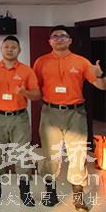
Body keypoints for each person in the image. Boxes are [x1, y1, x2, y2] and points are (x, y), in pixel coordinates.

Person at [34, 25, 105, 211]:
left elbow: (101, 86)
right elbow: (35, 88)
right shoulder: (41, 62)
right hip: (50, 113)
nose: (59, 39)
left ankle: (78, 197)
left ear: (70, 40)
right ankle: (50, 191)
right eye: (55, 36)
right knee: (50, 155)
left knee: (78, 154)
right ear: (50, 41)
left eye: (63, 36)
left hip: (75, 114)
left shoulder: (81, 62)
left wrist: (101, 74)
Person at [0, 35, 41, 206]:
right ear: (1, 49)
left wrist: (25, 93)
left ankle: (25, 191)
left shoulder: (27, 71)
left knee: (22, 154)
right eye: (6, 47)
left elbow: (37, 95)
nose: (10, 50)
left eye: (13, 47)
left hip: (19, 118)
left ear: (19, 50)